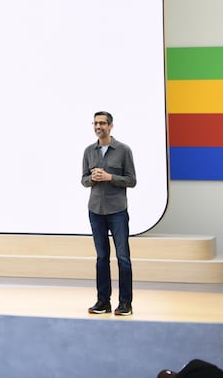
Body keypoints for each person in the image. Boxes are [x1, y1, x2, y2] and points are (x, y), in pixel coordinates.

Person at [81, 110, 136, 316]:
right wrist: (93, 179)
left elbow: (131, 180)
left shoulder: (123, 150)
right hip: (95, 210)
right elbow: (84, 180)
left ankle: (125, 303)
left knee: (123, 257)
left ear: (110, 126)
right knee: (102, 257)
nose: (98, 127)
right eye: (95, 123)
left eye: (102, 123)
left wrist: (110, 177)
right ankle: (103, 301)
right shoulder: (89, 151)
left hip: (117, 211)